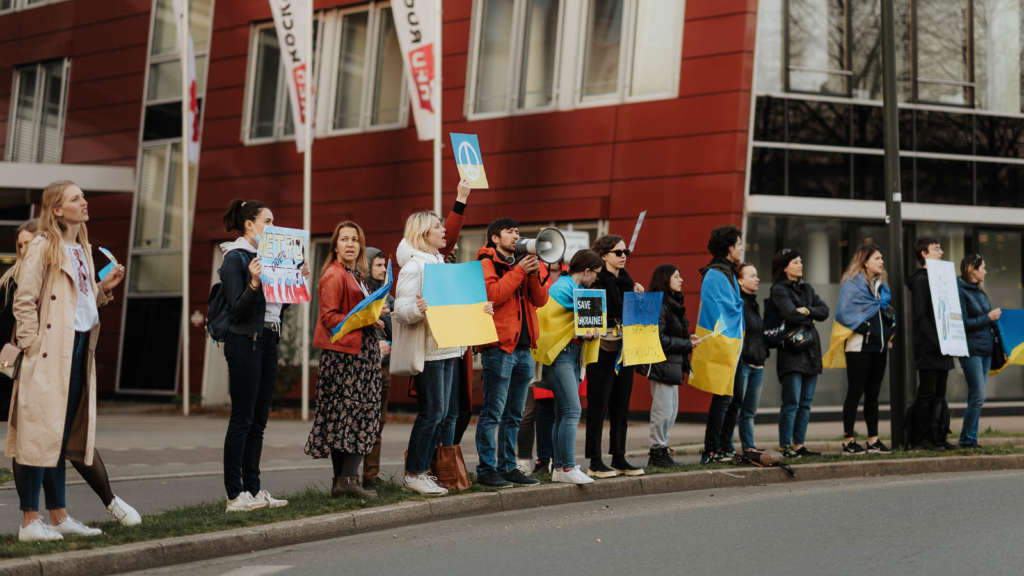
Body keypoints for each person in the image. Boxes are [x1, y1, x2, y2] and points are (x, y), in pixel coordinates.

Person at [3, 219, 140, 532]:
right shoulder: (14, 280)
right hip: (23, 368)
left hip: (52, 364)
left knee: (60, 440)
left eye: (30, 243)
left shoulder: (57, 272)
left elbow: (74, 312)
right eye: (21, 246)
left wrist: (102, 290)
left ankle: (61, 515)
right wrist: (30, 343)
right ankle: (35, 519)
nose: (26, 250)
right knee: (35, 442)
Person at [219, 199, 303, 512]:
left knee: (259, 420)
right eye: (267, 221)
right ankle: (234, 493)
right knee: (242, 418)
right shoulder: (235, 259)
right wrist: (254, 283)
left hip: (269, 337)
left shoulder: (273, 258)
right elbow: (236, 312)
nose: (273, 227)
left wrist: (295, 280)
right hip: (244, 341)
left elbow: (281, 307)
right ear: (249, 225)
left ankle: (253, 489)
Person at [393, 181, 475, 495]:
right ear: (424, 233)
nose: (444, 231)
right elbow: (400, 310)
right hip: (430, 351)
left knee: (449, 414)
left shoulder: (440, 264)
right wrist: (418, 308)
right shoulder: (414, 267)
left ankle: (432, 470)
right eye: (438, 227)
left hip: (451, 347)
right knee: (433, 413)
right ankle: (415, 472)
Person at [305, 222, 383, 499]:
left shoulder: (355, 274)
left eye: (355, 240)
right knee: (351, 418)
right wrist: (365, 321)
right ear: (335, 245)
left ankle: (344, 482)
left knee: (351, 418)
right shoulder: (333, 275)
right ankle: (347, 481)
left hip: (360, 355)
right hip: (346, 358)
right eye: (344, 239)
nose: (350, 244)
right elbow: (329, 318)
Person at [474, 219, 548, 487]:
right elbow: (492, 294)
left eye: (518, 231)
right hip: (499, 347)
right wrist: (518, 271)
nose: (516, 236)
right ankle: (486, 469)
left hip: (524, 349)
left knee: (514, 413)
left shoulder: (522, 263)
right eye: (510, 231)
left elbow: (540, 300)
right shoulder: (486, 263)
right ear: (495, 238)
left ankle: (508, 467)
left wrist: (531, 273)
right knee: (493, 412)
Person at [533, 250, 603, 484]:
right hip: (562, 354)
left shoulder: (564, 287)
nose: (596, 279)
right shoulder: (567, 289)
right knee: (571, 411)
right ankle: (565, 467)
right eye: (595, 274)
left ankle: (561, 466)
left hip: (567, 353)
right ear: (586, 271)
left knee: (563, 412)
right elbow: (579, 319)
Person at [585, 235, 646, 477]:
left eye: (625, 252)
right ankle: (595, 460)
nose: (623, 256)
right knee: (598, 407)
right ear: (604, 255)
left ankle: (619, 456)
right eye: (618, 252)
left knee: (621, 406)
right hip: (602, 349)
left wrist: (637, 297)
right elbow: (589, 315)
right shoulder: (596, 281)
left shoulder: (628, 282)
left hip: (624, 349)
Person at [692, 226, 745, 465]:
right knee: (723, 398)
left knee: (734, 399)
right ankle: (711, 449)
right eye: (740, 244)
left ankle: (724, 446)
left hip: (733, 344)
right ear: (729, 247)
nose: (742, 248)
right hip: (724, 343)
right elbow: (719, 309)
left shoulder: (728, 272)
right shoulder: (715, 273)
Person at [834, 244, 894, 455]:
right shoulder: (853, 285)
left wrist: (889, 329)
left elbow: (884, 310)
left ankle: (873, 439)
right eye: (877, 258)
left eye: (881, 258)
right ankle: (849, 440)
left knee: (873, 393)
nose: (881, 261)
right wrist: (865, 329)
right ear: (865, 261)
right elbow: (843, 313)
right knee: (855, 391)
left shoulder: (881, 287)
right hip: (859, 346)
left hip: (879, 345)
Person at [771, 248, 829, 459]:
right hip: (792, 353)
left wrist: (808, 311)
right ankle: (785, 445)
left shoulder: (807, 288)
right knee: (792, 402)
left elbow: (824, 311)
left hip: (811, 351)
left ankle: (799, 445)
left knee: (805, 403)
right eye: (796, 262)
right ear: (785, 267)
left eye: (801, 261)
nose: (801, 265)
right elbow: (790, 314)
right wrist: (807, 313)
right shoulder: (779, 289)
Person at [645, 264, 697, 468]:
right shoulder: (660, 304)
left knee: (671, 410)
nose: (682, 280)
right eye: (677, 276)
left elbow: (672, 333)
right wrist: (687, 344)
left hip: (673, 364)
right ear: (665, 279)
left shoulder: (674, 303)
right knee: (663, 410)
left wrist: (687, 338)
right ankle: (656, 452)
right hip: (662, 365)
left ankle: (662, 449)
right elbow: (658, 338)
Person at [907, 238, 956, 450]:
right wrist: (937, 342)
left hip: (943, 344)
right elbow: (921, 317)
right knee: (927, 392)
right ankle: (920, 438)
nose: (941, 252)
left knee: (940, 393)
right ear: (924, 254)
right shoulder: (920, 280)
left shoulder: (941, 278)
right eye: (936, 249)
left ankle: (938, 435)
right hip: (930, 347)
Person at [719, 262, 768, 456]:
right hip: (744, 362)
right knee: (735, 406)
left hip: (758, 363)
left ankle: (749, 446)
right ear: (739, 281)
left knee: (749, 410)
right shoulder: (738, 303)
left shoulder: (754, 303)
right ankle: (727, 446)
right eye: (752, 275)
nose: (757, 279)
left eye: (756, 275)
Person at [957, 253, 1002, 449]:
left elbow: (990, 323)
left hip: (986, 349)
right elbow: (963, 323)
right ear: (972, 270)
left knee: (977, 396)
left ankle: (971, 438)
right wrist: (988, 317)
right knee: (978, 395)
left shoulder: (980, 291)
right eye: (982, 267)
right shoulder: (961, 292)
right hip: (971, 349)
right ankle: (967, 439)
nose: (985, 271)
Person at [361, 247, 394, 488]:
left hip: (384, 367)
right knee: (361, 421)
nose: (383, 270)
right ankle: (349, 475)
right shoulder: (359, 292)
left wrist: (388, 322)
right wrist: (371, 319)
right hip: (362, 368)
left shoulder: (388, 297)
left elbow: (394, 331)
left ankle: (371, 476)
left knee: (378, 422)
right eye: (378, 265)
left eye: (385, 266)